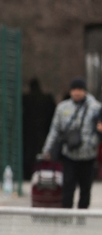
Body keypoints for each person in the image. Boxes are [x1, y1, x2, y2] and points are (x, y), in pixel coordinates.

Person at [42, 77, 102, 209]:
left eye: (80, 89)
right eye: (74, 89)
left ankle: (81, 217)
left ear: (85, 91)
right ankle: (66, 217)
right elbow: (55, 130)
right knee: (68, 188)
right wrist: (47, 150)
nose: (77, 93)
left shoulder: (96, 107)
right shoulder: (63, 108)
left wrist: (95, 139)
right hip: (69, 154)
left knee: (85, 189)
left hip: (88, 155)